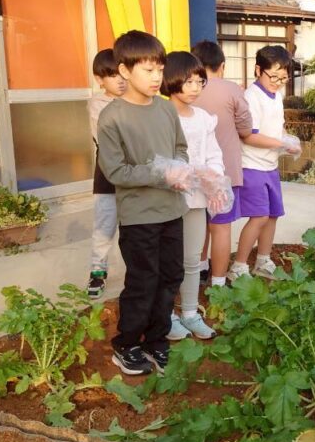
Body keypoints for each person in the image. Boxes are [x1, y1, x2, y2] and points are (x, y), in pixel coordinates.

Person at [97, 30, 189, 377]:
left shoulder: (165, 109)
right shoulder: (112, 117)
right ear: (124, 70)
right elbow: (116, 171)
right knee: (143, 280)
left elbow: (180, 148)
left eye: (160, 70)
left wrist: (180, 168)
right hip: (139, 216)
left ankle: (156, 340)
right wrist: (161, 173)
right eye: (148, 70)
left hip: (172, 209)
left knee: (171, 276)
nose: (156, 77)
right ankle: (126, 344)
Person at [162, 51, 224, 340]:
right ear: (171, 80)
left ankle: (189, 312)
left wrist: (215, 179)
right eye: (189, 82)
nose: (196, 88)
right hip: (166, 200)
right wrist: (187, 175)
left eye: (200, 81)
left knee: (191, 260)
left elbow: (214, 154)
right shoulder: (160, 115)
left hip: (196, 200)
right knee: (167, 261)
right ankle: (166, 316)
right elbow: (159, 161)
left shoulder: (203, 118)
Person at [228, 45, 299, 281]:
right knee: (259, 216)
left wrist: (287, 140)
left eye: (283, 78)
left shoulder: (276, 96)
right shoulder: (251, 97)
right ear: (258, 70)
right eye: (273, 76)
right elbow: (249, 135)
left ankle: (262, 260)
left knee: (272, 214)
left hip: (270, 165)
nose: (278, 82)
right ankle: (238, 266)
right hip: (252, 166)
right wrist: (280, 143)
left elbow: (278, 127)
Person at [191, 40, 253, 288]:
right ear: (222, 65)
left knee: (198, 225)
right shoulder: (232, 89)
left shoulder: (185, 89)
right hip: (224, 171)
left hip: (193, 173)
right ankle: (218, 282)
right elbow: (246, 128)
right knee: (221, 227)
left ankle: (199, 270)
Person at [86, 48, 126, 298]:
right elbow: (108, 138)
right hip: (107, 174)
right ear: (99, 79)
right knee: (104, 226)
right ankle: (97, 271)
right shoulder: (97, 104)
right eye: (112, 75)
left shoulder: (138, 100)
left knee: (133, 229)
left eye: (122, 73)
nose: (120, 80)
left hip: (135, 173)